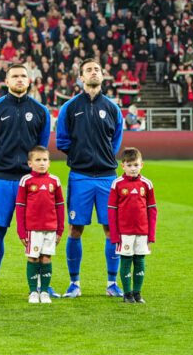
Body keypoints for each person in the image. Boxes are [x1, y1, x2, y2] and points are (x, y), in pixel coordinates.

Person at [0, 62, 50, 299]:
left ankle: (42, 283)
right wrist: (0, 166)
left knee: (38, 234)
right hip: (3, 180)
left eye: (23, 76)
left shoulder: (40, 111)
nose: (20, 79)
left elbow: (41, 147)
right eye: (15, 76)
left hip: (32, 183)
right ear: (6, 81)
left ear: (29, 81)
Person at [56, 58, 125, 298]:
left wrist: (104, 157)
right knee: (75, 229)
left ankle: (111, 283)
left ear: (102, 75)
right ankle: (74, 284)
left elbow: (115, 140)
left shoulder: (113, 108)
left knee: (111, 229)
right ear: (81, 78)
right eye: (88, 70)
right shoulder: (70, 107)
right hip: (80, 176)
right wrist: (81, 156)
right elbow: (62, 140)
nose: (93, 72)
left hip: (107, 177)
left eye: (97, 69)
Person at [15, 145, 65, 304]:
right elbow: (20, 207)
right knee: (33, 258)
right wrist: (21, 231)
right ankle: (32, 292)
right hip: (32, 229)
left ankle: (44, 291)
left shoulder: (54, 181)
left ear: (49, 163)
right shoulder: (26, 181)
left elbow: (60, 206)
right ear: (30, 163)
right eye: (38, 160)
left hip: (50, 229)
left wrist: (60, 230)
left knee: (46, 258)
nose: (42, 163)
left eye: (44, 160)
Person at [108, 147, 156, 304]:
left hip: (142, 232)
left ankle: (137, 293)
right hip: (124, 233)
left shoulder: (147, 184)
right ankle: (127, 293)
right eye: (129, 165)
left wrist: (151, 234)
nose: (133, 168)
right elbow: (112, 211)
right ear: (123, 166)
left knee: (140, 261)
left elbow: (152, 211)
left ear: (141, 165)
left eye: (135, 165)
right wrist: (114, 235)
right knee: (126, 261)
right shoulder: (117, 184)